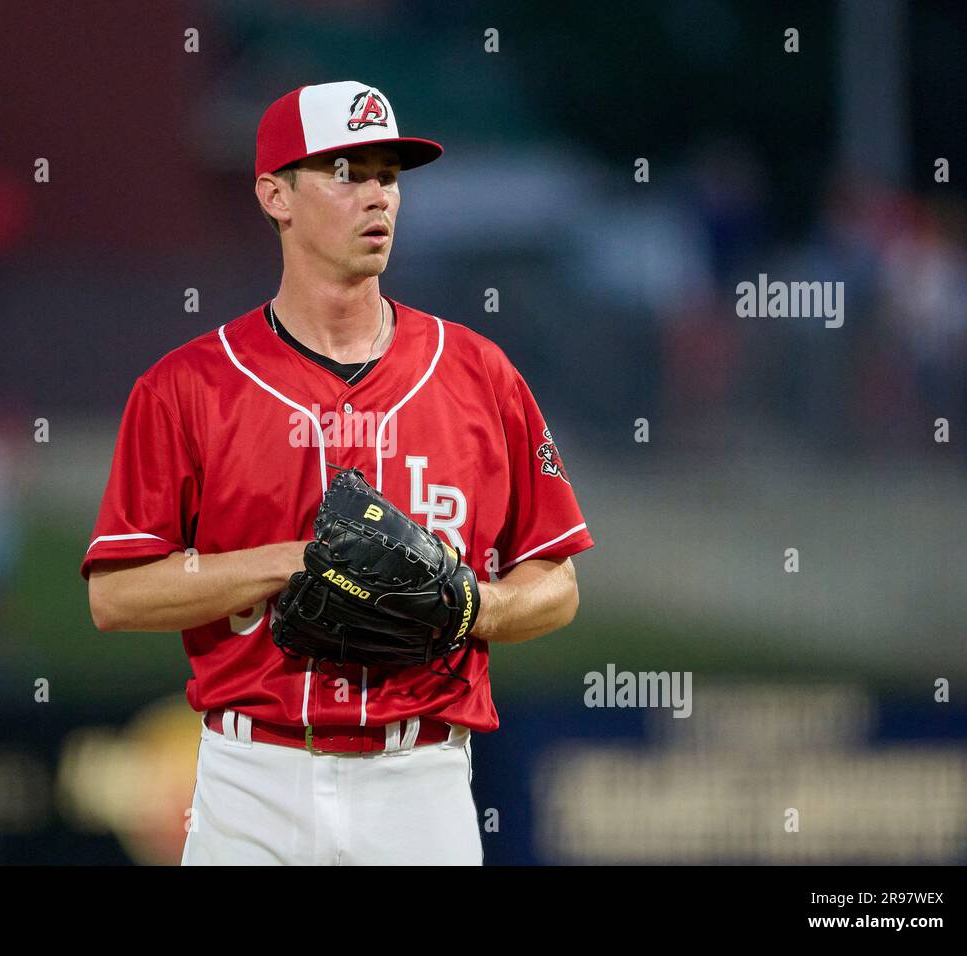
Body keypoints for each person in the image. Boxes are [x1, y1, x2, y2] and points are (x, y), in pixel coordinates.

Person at [83, 81, 593, 865]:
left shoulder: (481, 376)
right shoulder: (187, 388)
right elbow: (115, 596)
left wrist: (470, 607)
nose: (377, 196)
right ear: (274, 195)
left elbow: (556, 583)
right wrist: (290, 563)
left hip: (419, 782)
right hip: (251, 777)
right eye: (346, 172)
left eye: (389, 175)